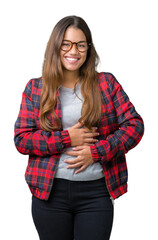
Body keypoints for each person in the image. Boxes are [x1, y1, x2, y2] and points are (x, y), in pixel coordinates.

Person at [14, 15, 144, 240]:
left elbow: (134, 125)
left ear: (88, 48)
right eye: (66, 44)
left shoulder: (106, 83)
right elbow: (22, 139)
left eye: (81, 44)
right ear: (55, 46)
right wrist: (66, 138)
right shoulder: (36, 87)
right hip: (49, 193)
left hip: (96, 193)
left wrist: (97, 152)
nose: (73, 51)